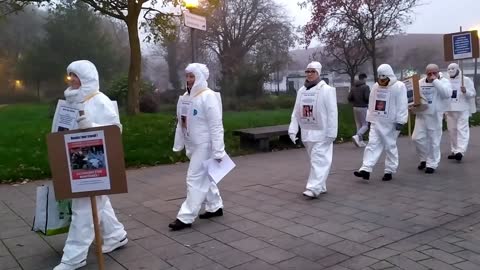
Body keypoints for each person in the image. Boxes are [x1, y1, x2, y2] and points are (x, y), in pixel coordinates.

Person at [54, 60, 127, 270]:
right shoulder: (72, 100)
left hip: (94, 161)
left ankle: (73, 258)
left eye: (75, 75)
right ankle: (116, 235)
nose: (72, 80)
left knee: (83, 208)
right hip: (78, 157)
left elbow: (115, 129)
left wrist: (92, 126)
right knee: (98, 202)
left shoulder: (99, 100)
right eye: (70, 75)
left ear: (85, 77)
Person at [169, 63, 225, 231]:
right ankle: (215, 205)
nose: (189, 79)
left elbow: (216, 125)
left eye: (192, 76)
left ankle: (186, 216)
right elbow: (181, 122)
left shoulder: (208, 96)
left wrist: (218, 150)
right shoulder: (185, 97)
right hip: (192, 143)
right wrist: (179, 143)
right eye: (187, 76)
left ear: (200, 77)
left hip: (205, 144)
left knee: (193, 178)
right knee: (207, 174)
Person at [288, 61, 338, 198]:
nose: (309, 74)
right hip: (307, 132)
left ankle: (313, 188)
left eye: (312, 71)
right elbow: (296, 111)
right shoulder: (301, 91)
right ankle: (321, 185)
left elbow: (333, 112)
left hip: (322, 132)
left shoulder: (327, 90)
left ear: (318, 73)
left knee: (319, 158)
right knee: (315, 160)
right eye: (307, 71)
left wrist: (332, 132)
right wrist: (292, 129)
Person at [353, 64, 408, 181]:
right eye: (380, 76)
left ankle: (389, 170)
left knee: (390, 146)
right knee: (372, 145)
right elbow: (372, 103)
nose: (382, 79)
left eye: (384, 76)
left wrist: (401, 120)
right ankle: (365, 169)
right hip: (377, 121)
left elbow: (402, 104)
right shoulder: (376, 86)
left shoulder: (399, 86)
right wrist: (370, 118)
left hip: (391, 123)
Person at [412, 64, 452, 174]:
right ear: (426, 73)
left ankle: (432, 163)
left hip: (435, 115)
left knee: (434, 140)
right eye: (429, 73)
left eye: (434, 73)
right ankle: (424, 159)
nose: (431, 75)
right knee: (417, 138)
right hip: (421, 115)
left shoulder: (444, 82)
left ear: (438, 72)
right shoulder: (420, 82)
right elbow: (414, 96)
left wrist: (435, 81)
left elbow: (446, 94)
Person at [445, 63, 477, 161]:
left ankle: (460, 151)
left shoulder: (466, 80)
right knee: (452, 130)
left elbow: (473, 93)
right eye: (449, 69)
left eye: (453, 68)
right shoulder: (446, 81)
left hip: (462, 109)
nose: (450, 70)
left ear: (458, 69)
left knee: (462, 130)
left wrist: (465, 91)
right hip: (450, 109)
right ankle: (455, 150)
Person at [348, 73, 370, 147]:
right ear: (364, 78)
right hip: (363, 107)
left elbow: (349, 98)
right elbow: (367, 98)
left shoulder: (353, 87)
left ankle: (360, 141)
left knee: (358, 124)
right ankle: (358, 136)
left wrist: (354, 102)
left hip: (355, 107)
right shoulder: (366, 87)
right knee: (365, 125)